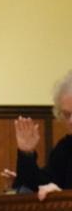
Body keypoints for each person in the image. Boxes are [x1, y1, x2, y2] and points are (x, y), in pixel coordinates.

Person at [12, 70, 72, 200]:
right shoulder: (65, 148)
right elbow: (33, 186)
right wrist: (26, 153)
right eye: (67, 115)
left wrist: (63, 196)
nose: (71, 121)